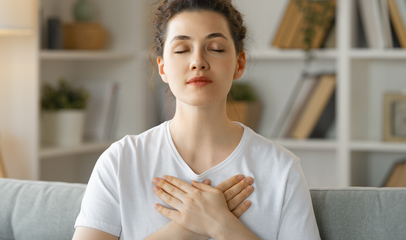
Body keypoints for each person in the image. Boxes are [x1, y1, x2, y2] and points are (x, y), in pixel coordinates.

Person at [72, 0, 321, 239]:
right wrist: (184, 229)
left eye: (215, 49)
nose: (198, 62)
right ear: (162, 68)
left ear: (239, 63)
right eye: (182, 50)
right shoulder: (121, 161)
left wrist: (221, 225)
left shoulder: (281, 169)